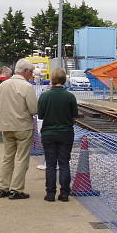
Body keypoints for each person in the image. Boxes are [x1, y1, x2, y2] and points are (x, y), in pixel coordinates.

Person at [0, 59, 38, 200]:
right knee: (21, 158)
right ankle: (16, 189)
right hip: (23, 126)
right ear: (25, 71)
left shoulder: (3, 85)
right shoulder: (26, 87)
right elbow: (33, 109)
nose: (31, 75)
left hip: (6, 126)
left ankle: (2, 188)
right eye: (31, 72)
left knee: (7, 158)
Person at [37, 68, 78, 202]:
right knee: (64, 163)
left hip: (48, 133)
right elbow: (74, 116)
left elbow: (41, 115)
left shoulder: (44, 96)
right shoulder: (70, 96)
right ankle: (64, 193)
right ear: (64, 79)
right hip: (66, 133)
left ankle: (50, 194)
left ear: (52, 79)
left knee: (50, 164)